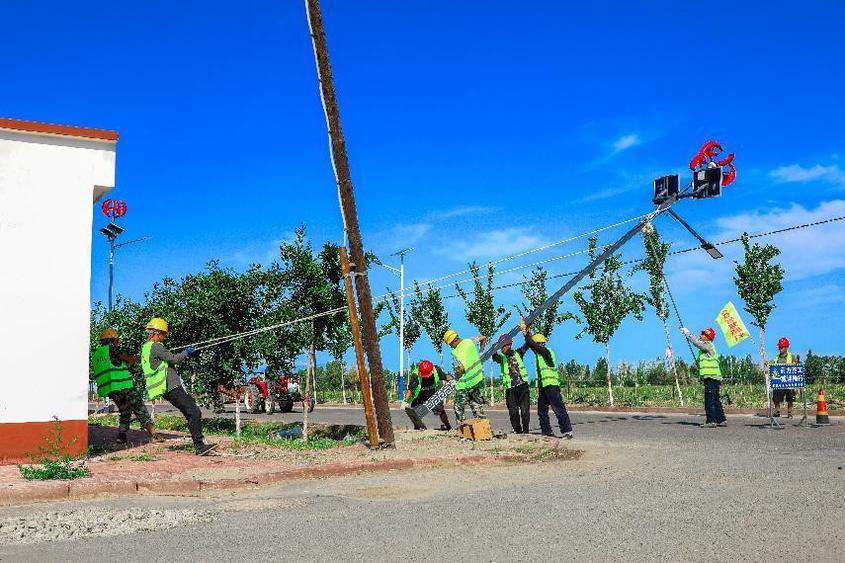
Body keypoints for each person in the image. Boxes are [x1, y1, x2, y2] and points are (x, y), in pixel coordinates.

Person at [141, 318, 216, 455]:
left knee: (190, 412)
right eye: (164, 333)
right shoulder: (157, 346)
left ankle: (199, 442)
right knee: (194, 412)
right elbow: (174, 359)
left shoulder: (146, 348)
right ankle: (199, 446)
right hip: (171, 386)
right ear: (157, 333)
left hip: (164, 388)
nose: (165, 336)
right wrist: (187, 353)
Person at [92, 328, 158, 445]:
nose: (119, 343)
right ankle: (154, 434)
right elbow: (127, 358)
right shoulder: (112, 348)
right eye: (117, 340)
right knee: (139, 407)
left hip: (111, 389)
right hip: (122, 386)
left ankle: (121, 436)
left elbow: (115, 364)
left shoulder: (97, 353)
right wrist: (142, 357)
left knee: (125, 410)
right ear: (112, 340)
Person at [520, 322, 573, 439]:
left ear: (541, 344)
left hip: (551, 386)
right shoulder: (540, 353)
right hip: (544, 386)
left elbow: (532, 344)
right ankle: (546, 431)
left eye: (537, 345)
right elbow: (533, 343)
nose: (534, 348)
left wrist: (524, 332)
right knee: (542, 411)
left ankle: (567, 431)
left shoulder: (546, 352)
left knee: (558, 409)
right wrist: (528, 331)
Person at [682, 326, 727, 427]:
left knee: (709, 400)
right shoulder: (703, 350)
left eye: (703, 335)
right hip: (711, 377)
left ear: (708, 337)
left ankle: (711, 421)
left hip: (712, 377)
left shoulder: (709, 345)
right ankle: (721, 420)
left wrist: (688, 334)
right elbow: (699, 362)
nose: (700, 336)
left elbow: (697, 343)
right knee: (715, 399)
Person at [443, 329, 487, 423]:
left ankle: (462, 429)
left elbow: (460, 370)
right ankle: (482, 428)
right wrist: (481, 352)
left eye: (450, 344)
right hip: (476, 380)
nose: (451, 346)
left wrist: (456, 378)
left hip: (464, 384)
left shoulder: (456, 352)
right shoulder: (469, 341)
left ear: (454, 341)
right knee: (476, 405)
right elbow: (483, 338)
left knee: (458, 408)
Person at [491, 333, 531, 433]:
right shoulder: (501, 358)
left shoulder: (518, 353)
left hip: (523, 386)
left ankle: (526, 431)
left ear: (509, 345)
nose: (501, 349)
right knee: (513, 412)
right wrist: (494, 347)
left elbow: (528, 344)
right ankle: (518, 430)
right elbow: (494, 355)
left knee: (525, 410)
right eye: (500, 347)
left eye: (503, 346)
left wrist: (527, 332)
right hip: (511, 389)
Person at [402, 360, 452, 431]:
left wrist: (454, 381)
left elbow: (446, 377)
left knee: (440, 410)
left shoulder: (436, 370)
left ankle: (448, 426)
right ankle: (418, 427)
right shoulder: (415, 375)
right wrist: (405, 401)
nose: (426, 377)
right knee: (416, 414)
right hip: (419, 397)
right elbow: (410, 389)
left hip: (433, 395)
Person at [771, 337, 799, 418]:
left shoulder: (791, 356)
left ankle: (790, 412)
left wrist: (796, 363)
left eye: (782, 347)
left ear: (786, 347)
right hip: (779, 382)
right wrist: (767, 363)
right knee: (776, 397)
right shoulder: (776, 358)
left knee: (790, 398)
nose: (780, 349)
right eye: (779, 347)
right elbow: (772, 365)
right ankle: (777, 411)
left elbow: (796, 365)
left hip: (789, 382)